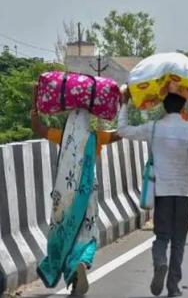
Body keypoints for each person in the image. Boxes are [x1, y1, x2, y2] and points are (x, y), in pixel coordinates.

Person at [118, 90, 188, 297]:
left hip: (162, 192)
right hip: (184, 192)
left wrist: (124, 104)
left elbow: (123, 130)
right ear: (182, 107)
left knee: (161, 237)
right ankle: (173, 287)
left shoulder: (153, 128)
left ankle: (160, 262)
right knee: (179, 242)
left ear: (164, 107)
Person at [31, 86, 120, 296]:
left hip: (64, 195)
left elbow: (38, 128)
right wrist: (122, 107)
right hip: (88, 195)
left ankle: (72, 272)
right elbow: (119, 134)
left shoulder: (62, 136)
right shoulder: (95, 137)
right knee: (87, 234)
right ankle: (81, 262)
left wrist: (34, 105)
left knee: (65, 232)